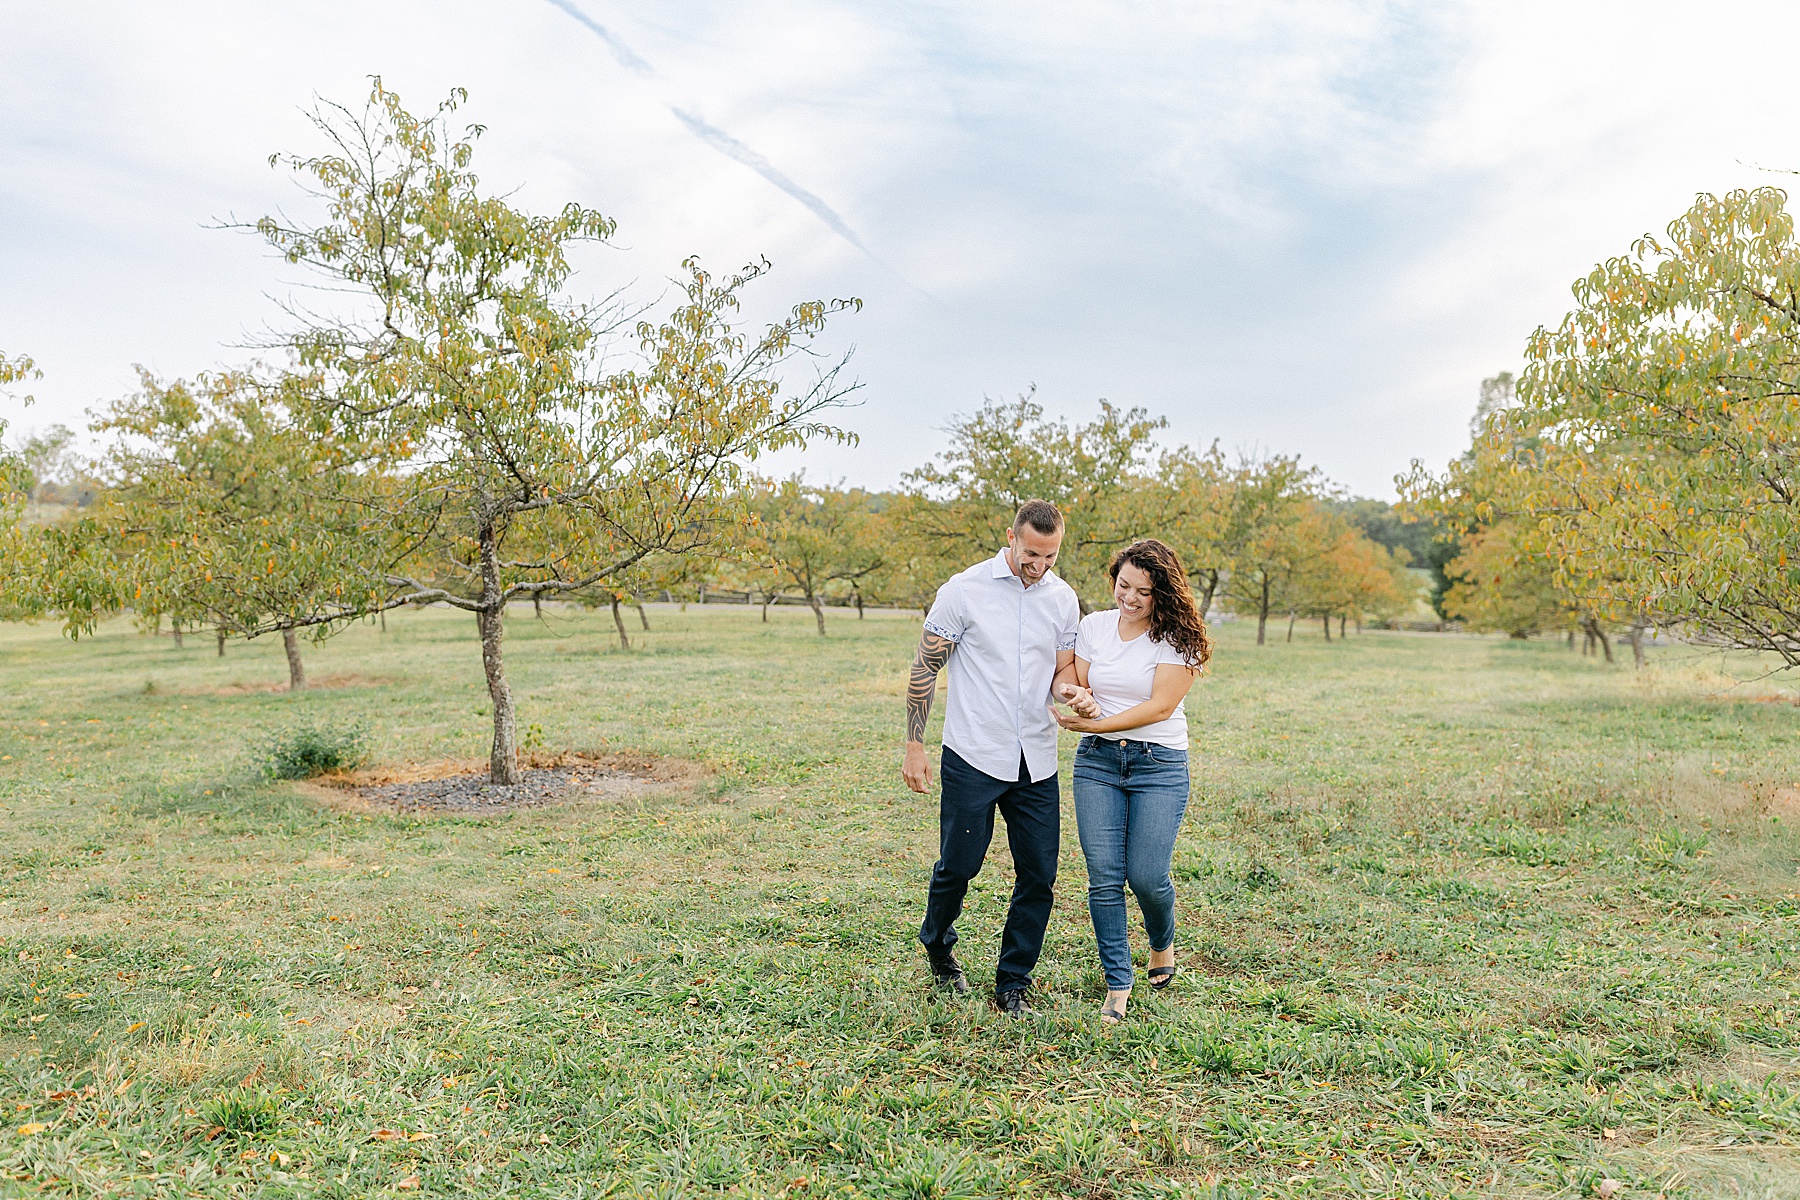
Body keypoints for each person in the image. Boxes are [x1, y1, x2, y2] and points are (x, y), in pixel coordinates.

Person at [902, 499, 1096, 1017]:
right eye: (1032, 553)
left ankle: (1013, 982)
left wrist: (1071, 693)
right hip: (973, 753)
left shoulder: (1062, 599)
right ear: (1010, 536)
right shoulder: (962, 591)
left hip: (1037, 760)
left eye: (1051, 557)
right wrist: (914, 745)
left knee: (1040, 874)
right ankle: (938, 942)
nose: (1039, 566)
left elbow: (1059, 674)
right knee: (959, 865)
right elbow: (925, 669)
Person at [1051, 538, 1209, 1024]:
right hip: (1097, 763)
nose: (1131, 598)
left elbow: (1159, 706)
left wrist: (1093, 723)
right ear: (1113, 579)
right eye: (1124, 585)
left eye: (1144, 590)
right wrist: (1076, 695)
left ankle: (1161, 941)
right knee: (1103, 879)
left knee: (1146, 876)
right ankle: (1118, 982)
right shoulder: (1094, 626)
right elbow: (1070, 679)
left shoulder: (1180, 639)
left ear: (1163, 591)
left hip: (1157, 764)